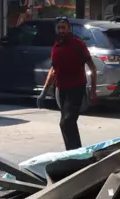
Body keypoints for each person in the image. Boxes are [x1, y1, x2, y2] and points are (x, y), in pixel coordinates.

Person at [38, 18, 97, 151]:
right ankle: (74, 152)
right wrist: (44, 91)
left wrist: (93, 90)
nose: (61, 31)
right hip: (60, 89)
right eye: (59, 28)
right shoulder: (56, 47)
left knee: (66, 122)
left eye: (63, 28)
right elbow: (53, 70)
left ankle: (75, 153)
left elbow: (92, 67)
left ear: (69, 29)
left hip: (76, 88)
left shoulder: (78, 44)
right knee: (68, 123)